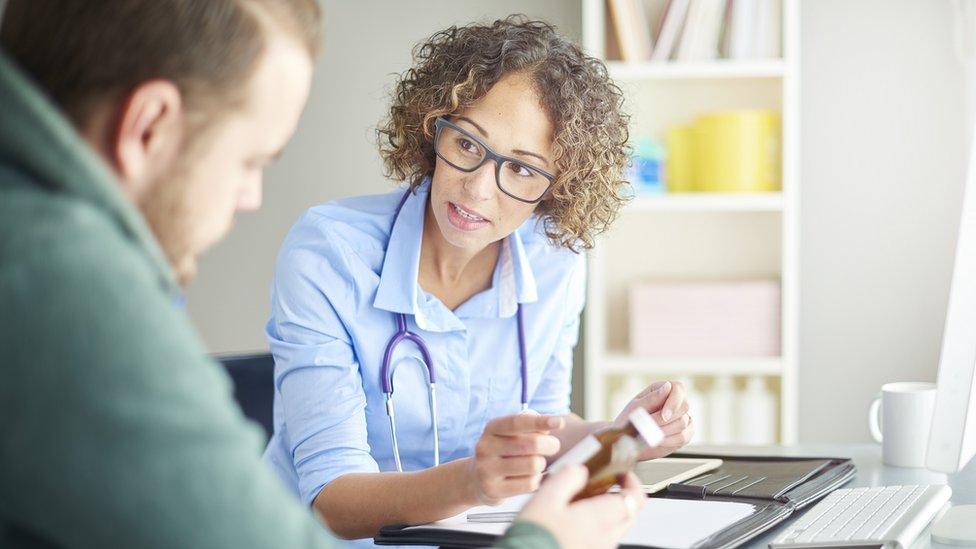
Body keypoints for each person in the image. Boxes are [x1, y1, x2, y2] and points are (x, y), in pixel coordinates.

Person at [0, 2, 645, 549]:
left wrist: (607, 438)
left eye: (523, 170)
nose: (251, 197)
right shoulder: (64, 286)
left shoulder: (54, 246)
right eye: (251, 160)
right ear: (148, 128)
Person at [264, 16, 696, 544]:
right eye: (468, 145)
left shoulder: (555, 261)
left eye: (521, 169)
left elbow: (543, 430)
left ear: (557, 189)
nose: (477, 190)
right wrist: (473, 480)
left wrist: (625, 437)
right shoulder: (330, 254)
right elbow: (331, 500)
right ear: (432, 127)